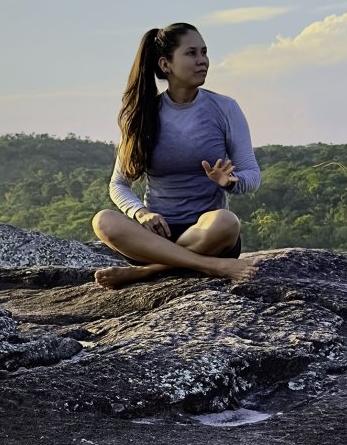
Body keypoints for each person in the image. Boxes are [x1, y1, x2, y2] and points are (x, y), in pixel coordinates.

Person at [91, 22, 260, 286]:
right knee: (103, 221)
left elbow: (252, 174)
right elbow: (118, 185)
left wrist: (230, 182)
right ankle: (209, 266)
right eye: (191, 53)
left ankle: (147, 271)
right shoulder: (144, 115)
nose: (202, 61)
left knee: (227, 222)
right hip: (155, 237)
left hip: (206, 233)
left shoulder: (225, 108)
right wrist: (141, 213)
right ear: (165, 64)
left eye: (204, 52)